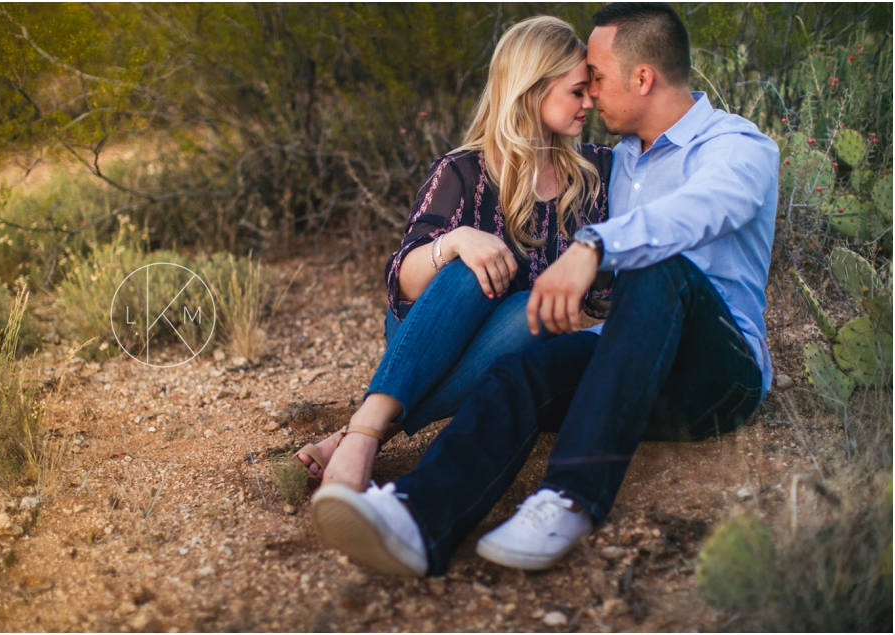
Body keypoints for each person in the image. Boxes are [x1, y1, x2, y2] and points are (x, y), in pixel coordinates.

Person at [311, 2, 779, 577]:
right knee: (525, 368)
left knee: (659, 266)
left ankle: (570, 497)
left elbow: (706, 208)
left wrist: (595, 246)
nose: (591, 96)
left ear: (642, 78)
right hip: (622, 367)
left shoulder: (738, 147)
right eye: (580, 85)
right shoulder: (618, 162)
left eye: (598, 80)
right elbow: (410, 276)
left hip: (716, 373)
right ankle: (417, 518)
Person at [292, 16, 612, 493]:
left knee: (534, 311)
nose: (589, 102)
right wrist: (456, 240)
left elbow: (606, 292)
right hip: (430, 329)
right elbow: (402, 283)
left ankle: (361, 432)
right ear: (530, 90)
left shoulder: (595, 173)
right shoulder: (463, 171)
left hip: (516, 342)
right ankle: (364, 435)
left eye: (589, 90)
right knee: (470, 270)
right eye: (576, 91)